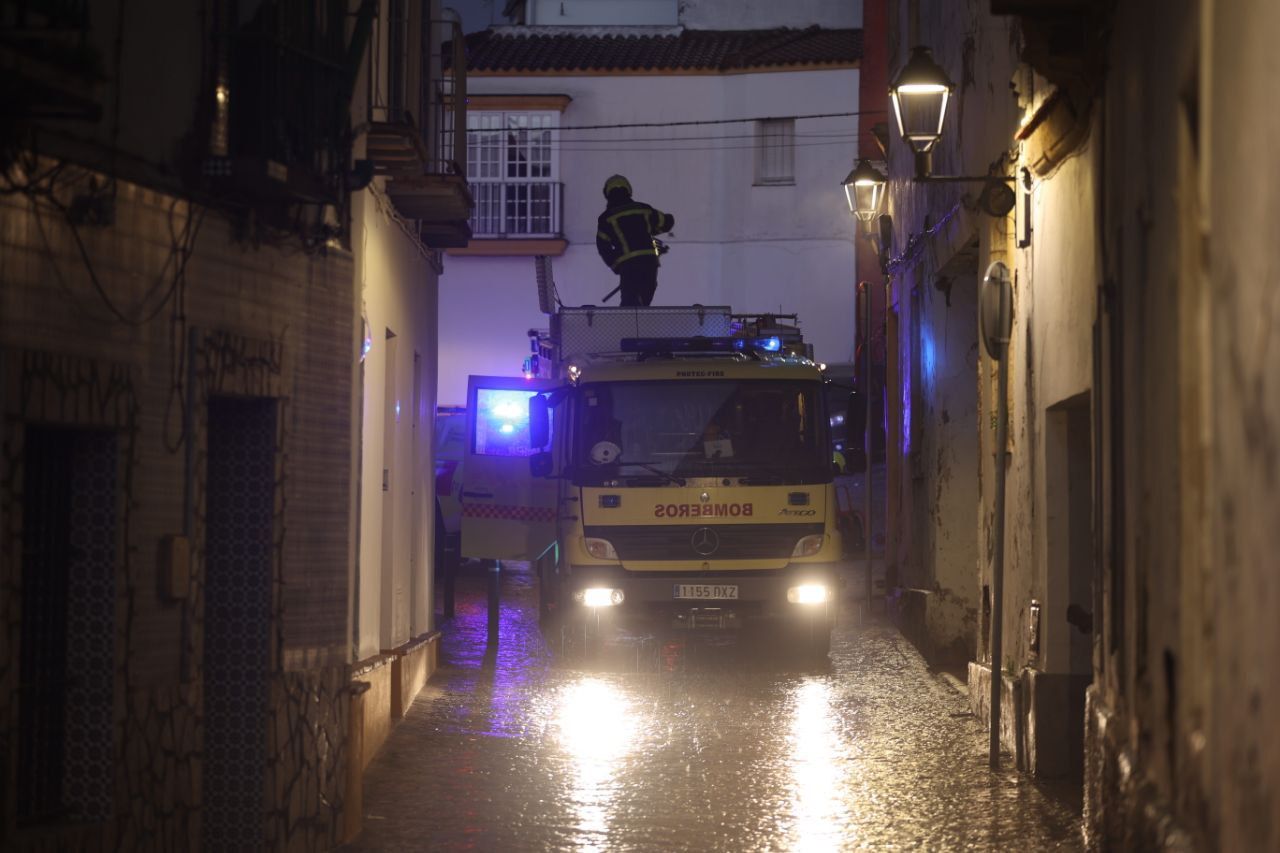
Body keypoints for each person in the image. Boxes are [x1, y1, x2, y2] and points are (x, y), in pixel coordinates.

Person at [596, 175, 674, 306]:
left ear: (607, 194)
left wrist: (616, 266)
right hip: (649, 262)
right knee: (644, 300)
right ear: (628, 190)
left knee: (630, 303)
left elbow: (603, 247)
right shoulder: (643, 209)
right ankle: (640, 322)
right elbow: (666, 223)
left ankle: (627, 325)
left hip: (628, 266)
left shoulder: (606, 218)